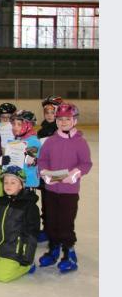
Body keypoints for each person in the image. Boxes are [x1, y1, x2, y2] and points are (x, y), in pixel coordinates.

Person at [37, 103, 92, 274]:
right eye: (60, 119)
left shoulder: (80, 142)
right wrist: (45, 173)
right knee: (51, 221)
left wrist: (74, 174)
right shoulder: (50, 141)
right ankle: (53, 249)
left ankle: (69, 252)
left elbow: (86, 163)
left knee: (65, 223)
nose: (63, 122)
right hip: (51, 190)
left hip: (69, 191)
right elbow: (42, 160)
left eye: (67, 119)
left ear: (74, 120)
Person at [0, 110, 41, 198]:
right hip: (15, 182)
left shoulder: (33, 142)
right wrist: (2, 161)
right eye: (13, 124)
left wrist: (29, 159)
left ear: (29, 125)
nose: (15, 127)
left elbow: (33, 162)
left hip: (27, 183)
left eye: (19, 124)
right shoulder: (16, 140)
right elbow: (11, 160)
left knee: (24, 209)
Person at [35, 95, 63, 243]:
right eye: (47, 112)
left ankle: (56, 232)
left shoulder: (63, 130)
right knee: (46, 203)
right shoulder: (41, 132)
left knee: (57, 204)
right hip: (46, 174)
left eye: (53, 112)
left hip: (59, 174)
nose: (50, 115)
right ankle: (47, 229)